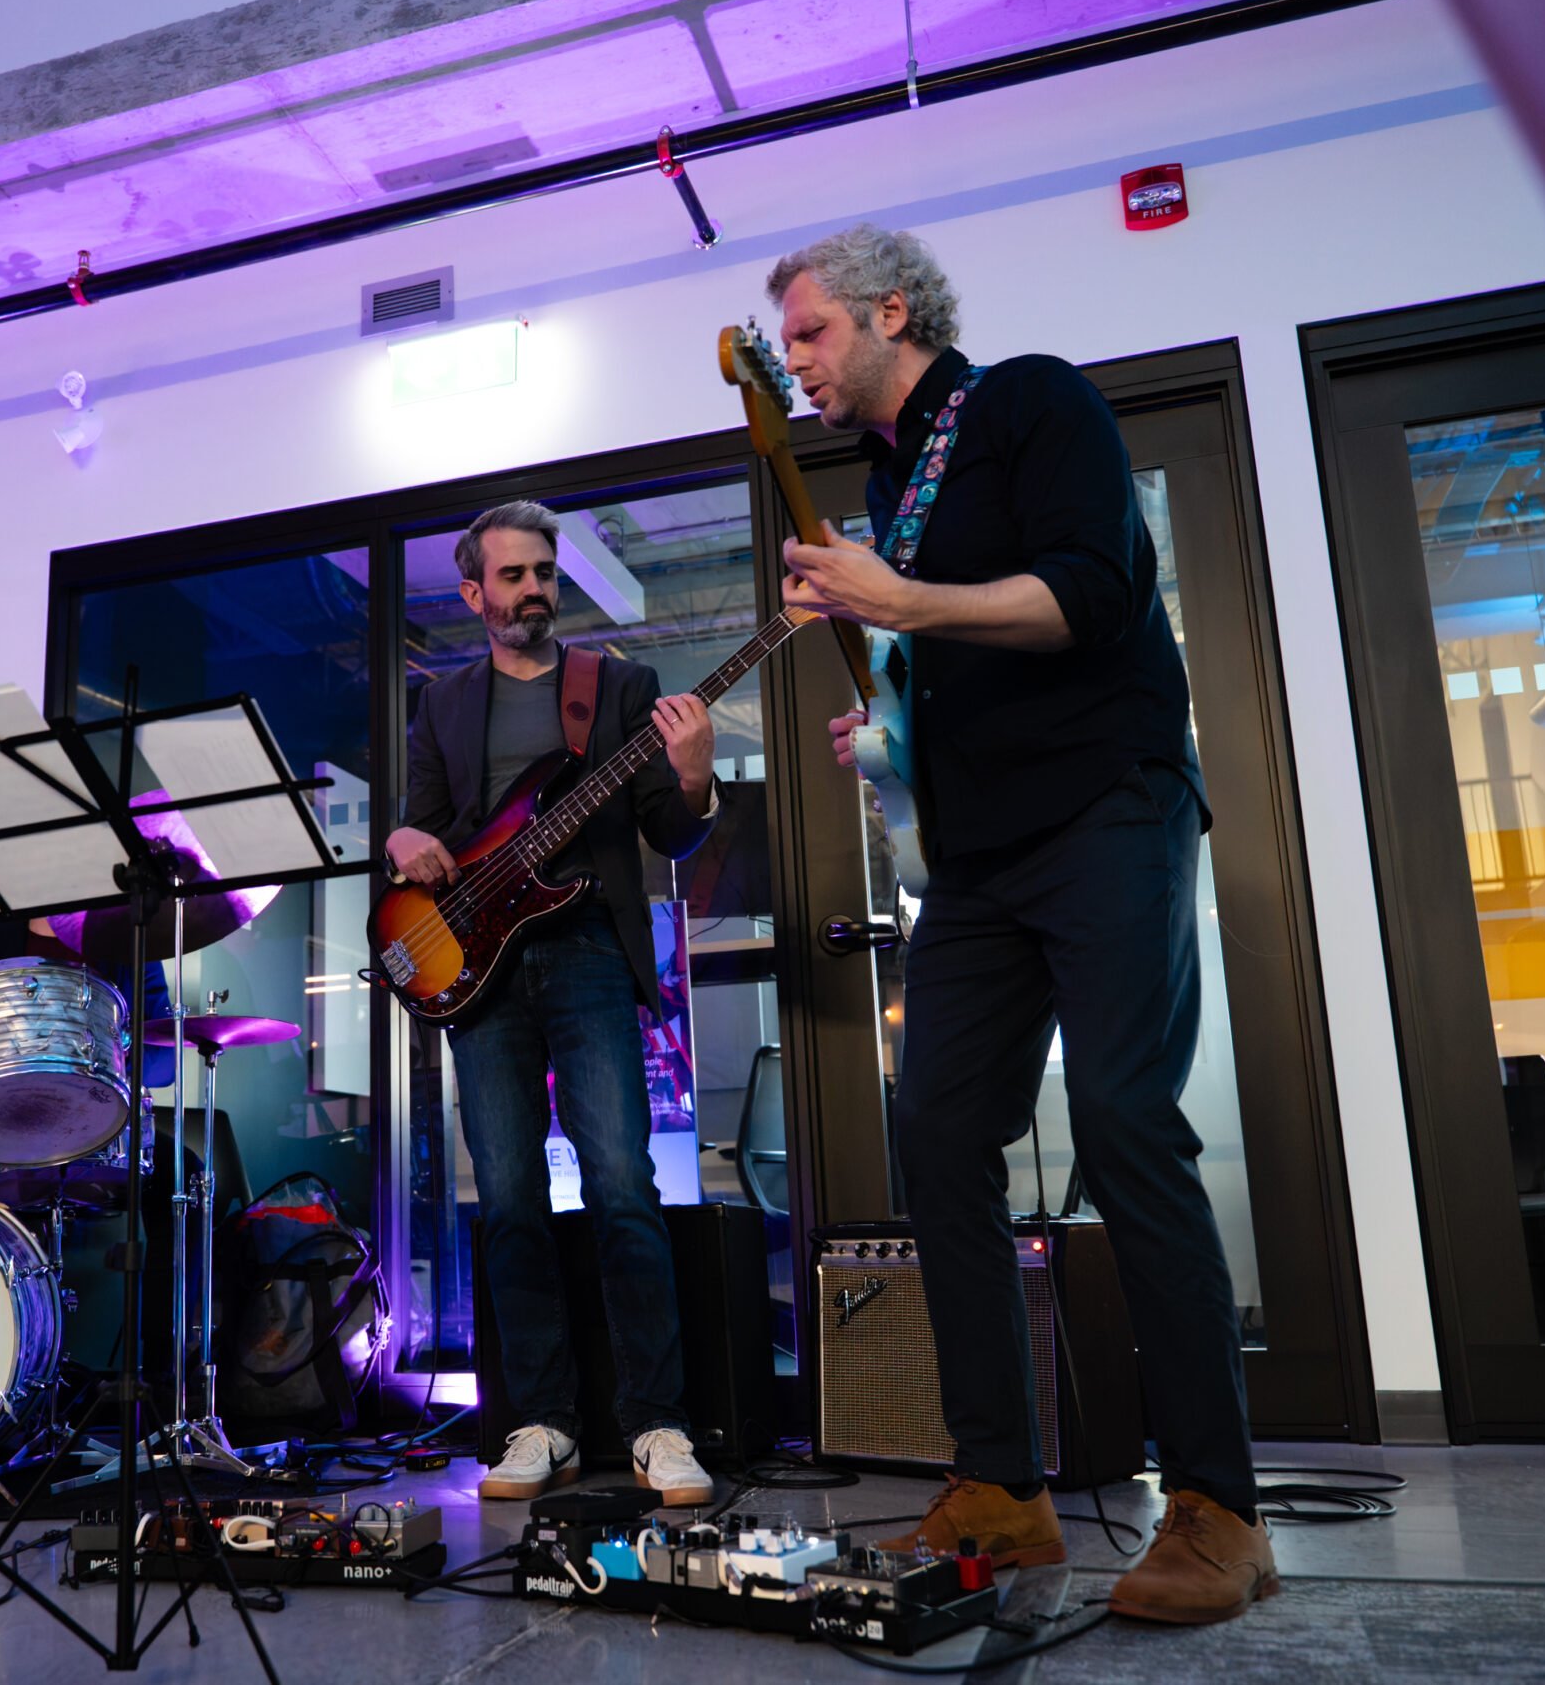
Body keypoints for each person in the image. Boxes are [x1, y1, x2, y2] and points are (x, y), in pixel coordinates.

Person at [767, 224, 1276, 1624]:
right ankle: (1002, 1484)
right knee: (936, 1131)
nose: (796, 363)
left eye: (810, 332)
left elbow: (1096, 595)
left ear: (889, 311)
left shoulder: (1032, 400)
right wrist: (893, 733)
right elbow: (954, 658)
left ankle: (1221, 1505)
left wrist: (899, 597)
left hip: (1108, 804)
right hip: (981, 858)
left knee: (1122, 1118)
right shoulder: (895, 481)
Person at [385, 501, 721, 1507]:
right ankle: (541, 1422)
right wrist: (402, 839)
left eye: (544, 571)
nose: (534, 588)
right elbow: (421, 829)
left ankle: (658, 1423)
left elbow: (668, 829)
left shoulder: (616, 686)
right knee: (509, 1197)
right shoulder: (442, 703)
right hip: (480, 967)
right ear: (473, 593)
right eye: (513, 575)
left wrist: (694, 776)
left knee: (622, 1181)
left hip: (586, 951)